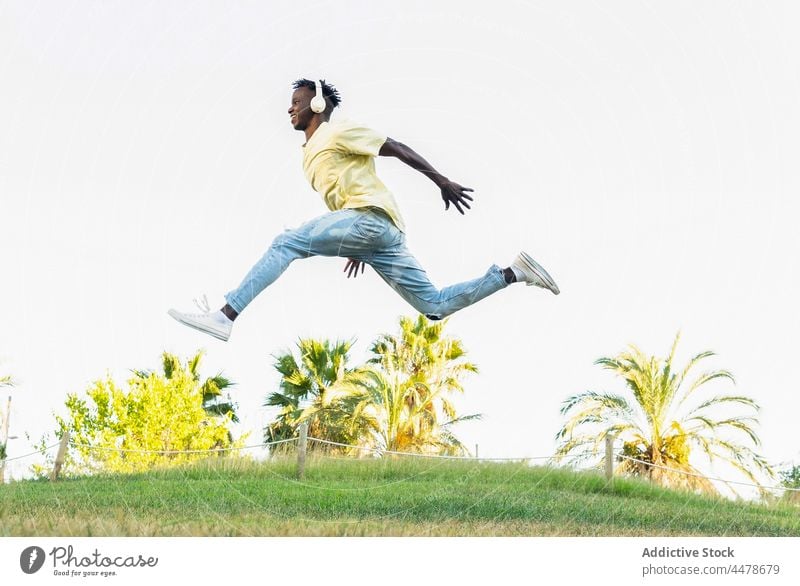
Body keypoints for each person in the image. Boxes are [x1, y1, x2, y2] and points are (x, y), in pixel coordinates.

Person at [168, 78, 559, 342]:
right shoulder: (310, 152)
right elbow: (344, 194)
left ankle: (225, 316)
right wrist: (352, 244)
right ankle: (514, 272)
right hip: (373, 236)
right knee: (434, 307)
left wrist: (441, 180)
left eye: (297, 103)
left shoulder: (337, 131)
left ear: (317, 105)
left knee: (286, 242)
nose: (290, 110)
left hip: (371, 223)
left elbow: (397, 148)